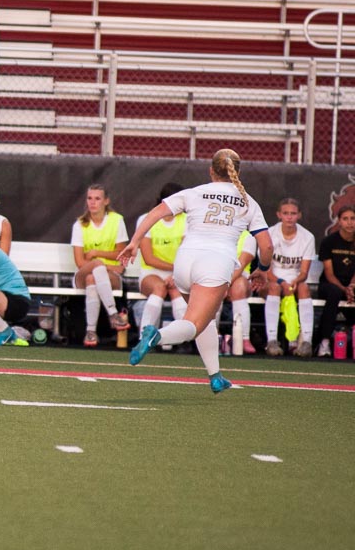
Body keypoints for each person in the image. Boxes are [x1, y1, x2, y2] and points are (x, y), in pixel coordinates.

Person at [121, 148, 272, 393]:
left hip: (184, 262)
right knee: (194, 323)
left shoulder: (194, 192)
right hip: (214, 264)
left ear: (211, 171)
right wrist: (262, 269)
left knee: (205, 320)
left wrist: (134, 242)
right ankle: (156, 336)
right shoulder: (248, 202)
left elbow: (156, 212)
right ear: (238, 172)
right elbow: (266, 246)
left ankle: (215, 375)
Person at [251, 198, 316, 357]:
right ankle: (272, 341)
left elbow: (304, 272)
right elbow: (266, 270)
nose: (289, 217)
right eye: (286, 213)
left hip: (295, 281)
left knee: (304, 288)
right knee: (274, 287)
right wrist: (281, 282)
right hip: (272, 281)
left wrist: (294, 282)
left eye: (293, 213)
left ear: (299, 215)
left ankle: (306, 342)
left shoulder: (307, 237)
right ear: (279, 214)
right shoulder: (270, 234)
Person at [71, 183, 130, 346]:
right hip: (83, 274)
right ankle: (113, 314)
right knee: (94, 268)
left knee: (92, 278)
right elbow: (80, 262)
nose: (92, 202)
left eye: (97, 199)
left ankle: (90, 332)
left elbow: (121, 253)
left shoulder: (116, 220)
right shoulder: (80, 224)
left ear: (106, 201)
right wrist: (103, 265)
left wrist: (97, 253)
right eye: (89, 198)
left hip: (110, 277)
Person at [136, 182, 188, 334]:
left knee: (176, 290)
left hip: (178, 272)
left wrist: (176, 274)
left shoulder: (187, 220)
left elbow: (186, 252)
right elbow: (148, 259)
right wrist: (174, 270)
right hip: (151, 273)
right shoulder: (147, 219)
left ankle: (184, 337)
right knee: (159, 288)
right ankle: (144, 336)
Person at [312, 205, 355, 357]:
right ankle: (324, 342)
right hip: (330, 285)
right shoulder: (329, 242)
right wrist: (345, 289)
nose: (349, 222)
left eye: (353, 219)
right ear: (339, 221)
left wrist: (352, 286)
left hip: (351, 286)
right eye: (345, 219)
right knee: (334, 293)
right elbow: (329, 274)